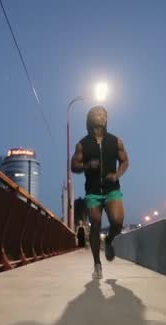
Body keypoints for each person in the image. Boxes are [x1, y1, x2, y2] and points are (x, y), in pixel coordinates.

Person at [71, 105, 129, 279]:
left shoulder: (116, 141)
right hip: (93, 191)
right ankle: (97, 264)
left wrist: (117, 174)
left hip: (112, 188)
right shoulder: (82, 144)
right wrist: (87, 165)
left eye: (104, 114)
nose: (102, 116)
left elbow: (125, 161)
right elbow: (74, 166)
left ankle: (109, 240)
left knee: (118, 221)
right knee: (95, 224)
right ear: (90, 118)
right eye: (98, 113)